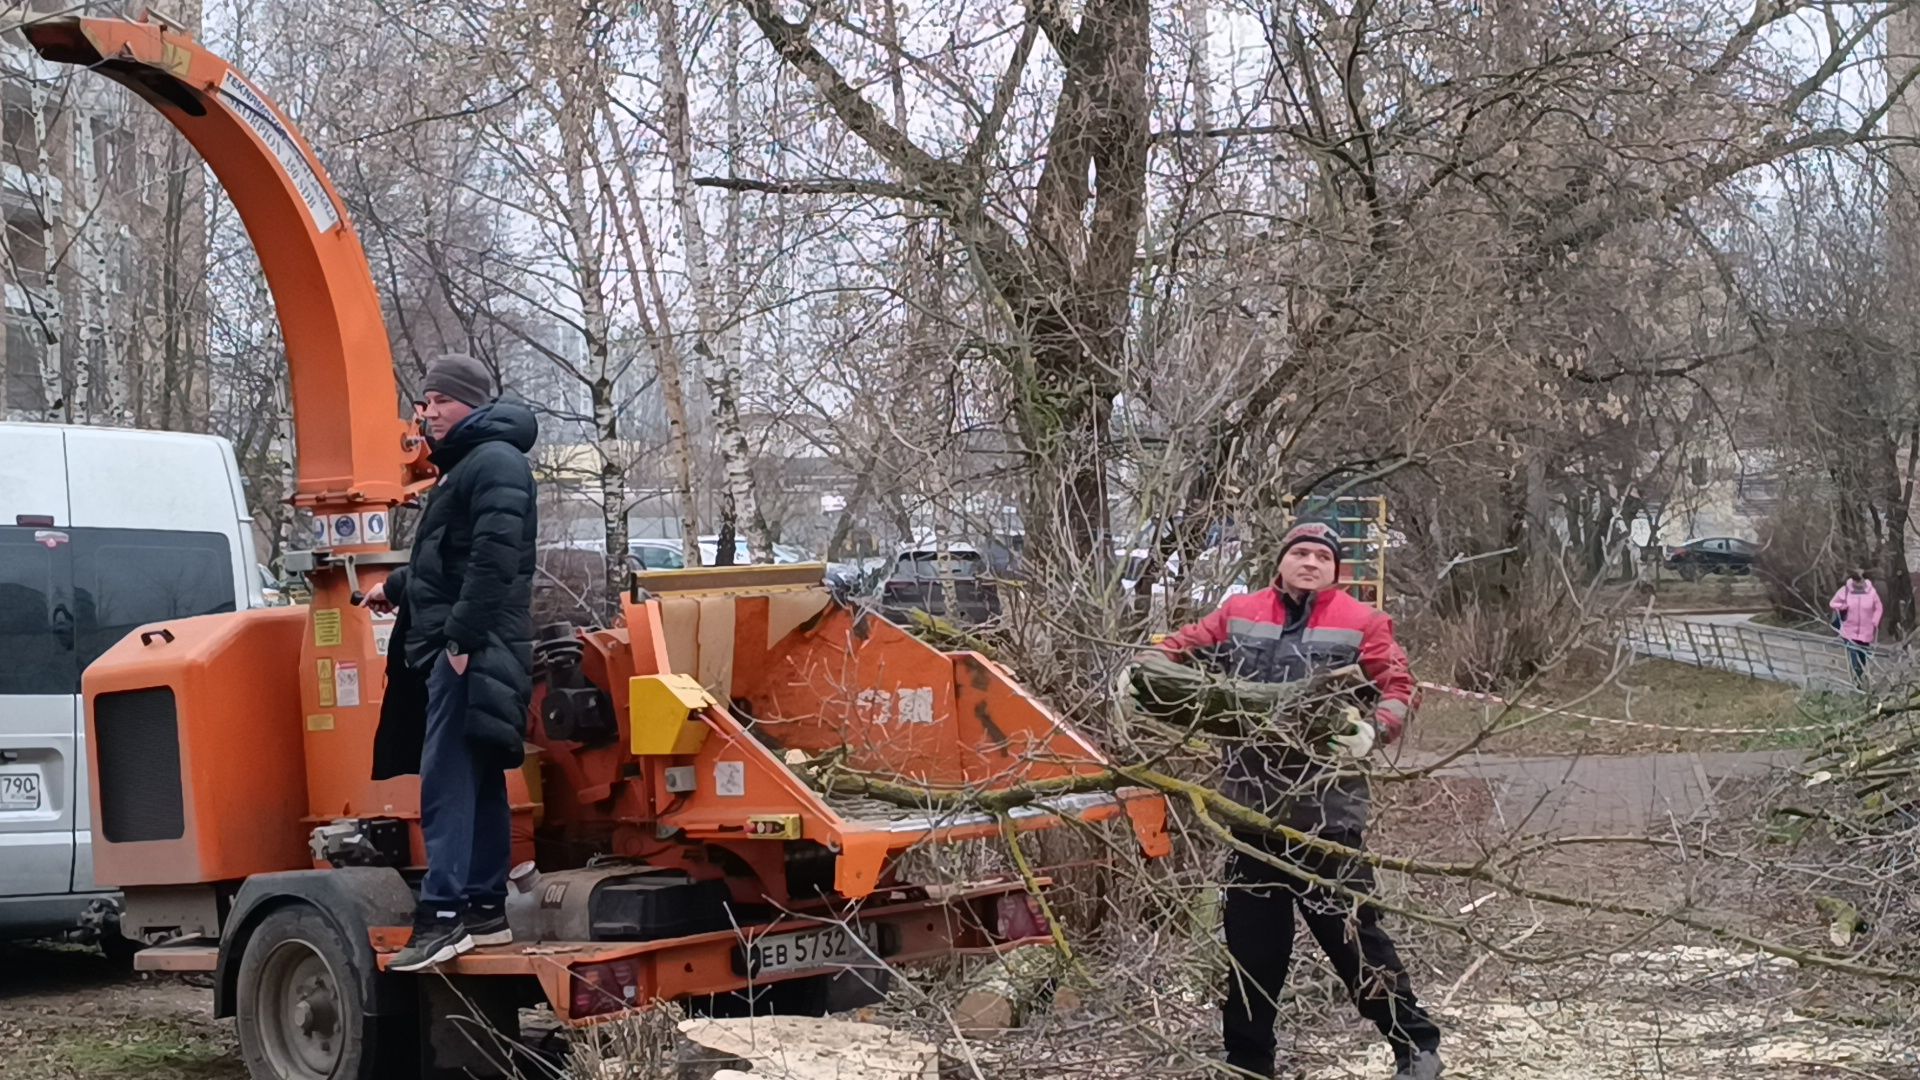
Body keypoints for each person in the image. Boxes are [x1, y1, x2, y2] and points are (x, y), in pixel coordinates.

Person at [1140, 521, 1442, 1080]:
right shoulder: (1239, 613)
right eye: (1299, 553)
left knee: (1356, 941)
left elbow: (1400, 687)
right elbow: (1175, 651)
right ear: (1280, 563)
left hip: (1325, 813)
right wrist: (1144, 671)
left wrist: (1374, 729)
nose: (1309, 562)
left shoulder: (1363, 622)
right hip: (1248, 812)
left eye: (1321, 557)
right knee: (1252, 953)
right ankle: (1249, 1064)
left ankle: (1415, 1046)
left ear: (1335, 570)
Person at [363, 353, 539, 971]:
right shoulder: (471, 466)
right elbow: (453, 558)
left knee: (448, 782)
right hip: (470, 642)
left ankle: (442, 918)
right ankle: (486, 912)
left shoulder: (492, 462)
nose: (429, 413)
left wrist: (460, 643)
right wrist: (401, 585)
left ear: (473, 402)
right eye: (426, 402)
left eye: (441, 401)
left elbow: (496, 564)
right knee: (479, 776)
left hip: (472, 648)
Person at [1829, 569, 1883, 685]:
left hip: (1866, 630)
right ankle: (1856, 680)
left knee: (1863, 657)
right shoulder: (1846, 590)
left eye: (1859, 580)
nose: (1857, 583)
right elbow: (1833, 603)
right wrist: (1843, 606)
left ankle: (1860, 676)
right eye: (1855, 580)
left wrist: (1875, 620)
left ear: (1864, 580)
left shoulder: (1871, 593)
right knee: (1854, 655)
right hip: (1849, 630)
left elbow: (1879, 608)